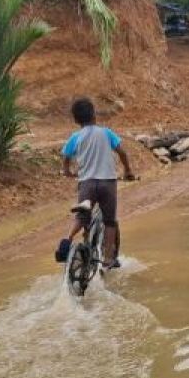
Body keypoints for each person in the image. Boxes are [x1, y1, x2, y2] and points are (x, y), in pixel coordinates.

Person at [55, 97, 135, 269]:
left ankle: (67, 241)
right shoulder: (106, 133)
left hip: (87, 183)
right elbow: (122, 153)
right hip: (107, 182)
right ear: (94, 115)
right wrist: (128, 171)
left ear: (76, 120)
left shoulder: (75, 137)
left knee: (82, 216)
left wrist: (67, 171)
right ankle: (108, 259)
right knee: (110, 221)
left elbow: (66, 158)